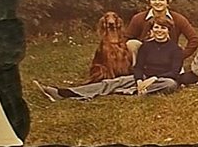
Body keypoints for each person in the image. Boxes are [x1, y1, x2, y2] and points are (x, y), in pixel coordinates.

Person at [40, 21, 186, 100]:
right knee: (113, 82)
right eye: (156, 28)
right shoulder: (146, 46)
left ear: (168, 31)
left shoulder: (175, 49)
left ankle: (129, 92)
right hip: (143, 78)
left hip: (161, 80)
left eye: (163, 28)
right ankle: (65, 93)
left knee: (170, 84)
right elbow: (138, 66)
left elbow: (174, 72)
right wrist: (139, 80)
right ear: (152, 30)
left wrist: (153, 79)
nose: (159, 31)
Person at [124, 0, 198, 60]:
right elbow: (127, 38)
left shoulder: (178, 19)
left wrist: (180, 56)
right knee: (132, 43)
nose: (157, 2)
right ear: (149, 2)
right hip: (144, 52)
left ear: (167, 3)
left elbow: (194, 39)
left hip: (168, 54)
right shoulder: (138, 18)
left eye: (161, 0)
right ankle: (135, 66)